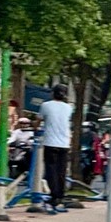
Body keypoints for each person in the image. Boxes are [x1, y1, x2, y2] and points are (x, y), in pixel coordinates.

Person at [38, 83, 73, 214]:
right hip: (64, 143)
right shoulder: (69, 108)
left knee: (51, 170)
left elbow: (38, 121)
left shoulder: (45, 105)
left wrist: (35, 126)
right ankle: (60, 196)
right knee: (61, 170)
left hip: (50, 142)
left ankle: (54, 196)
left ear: (52, 93)